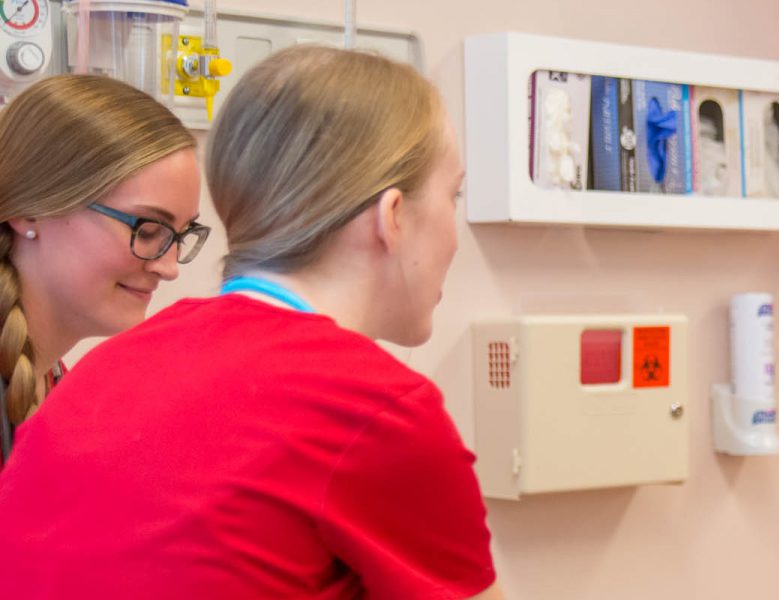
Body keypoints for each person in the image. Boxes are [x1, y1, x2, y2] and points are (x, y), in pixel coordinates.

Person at [0, 47, 503, 599]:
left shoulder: (98, 376)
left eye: (180, 235)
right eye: (453, 195)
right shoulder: (377, 408)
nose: (167, 267)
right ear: (393, 217)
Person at [0, 74, 201, 466]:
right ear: (30, 211)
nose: (169, 267)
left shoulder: (49, 380)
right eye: (146, 229)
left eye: (183, 233)